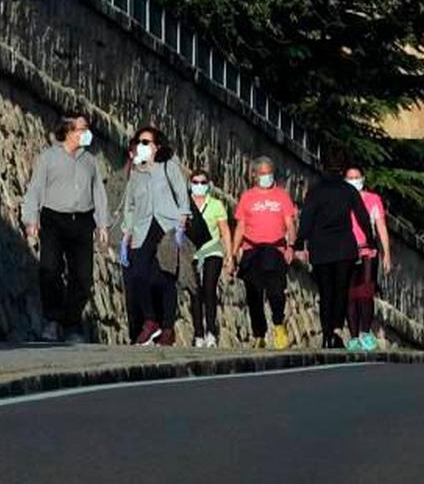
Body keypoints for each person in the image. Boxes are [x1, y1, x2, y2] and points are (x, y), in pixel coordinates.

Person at [21, 114, 111, 343]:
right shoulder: (48, 157)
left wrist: (103, 223)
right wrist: (31, 218)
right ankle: (51, 320)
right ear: (69, 131)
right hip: (53, 219)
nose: (86, 132)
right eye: (82, 128)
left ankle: (72, 324)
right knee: (50, 269)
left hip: (81, 221)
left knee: (82, 275)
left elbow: (98, 193)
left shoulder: (90, 161)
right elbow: (35, 188)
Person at [120, 126, 191, 346]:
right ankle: (151, 321)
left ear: (157, 147)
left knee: (165, 278)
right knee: (138, 274)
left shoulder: (169, 167)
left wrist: (181, 221)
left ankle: (167, 328)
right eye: (139, 141)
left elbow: (182, 195)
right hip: (142, 228)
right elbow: (129, 205)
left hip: (167, 225)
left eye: (146, 142)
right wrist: (126, 232)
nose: (141, 146)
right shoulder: (136, 174)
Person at [295, 166, 375, 349]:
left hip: (321, 247)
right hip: (343, 247)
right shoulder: (348, 191)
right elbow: (362, 216)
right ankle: (337, 330)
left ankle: (326, 333)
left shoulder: (315, 192)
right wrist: (370, 240)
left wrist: (300, 242)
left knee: (326, 292)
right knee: (341, 290)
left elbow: (307, 217)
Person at [231, 157, 297, 350]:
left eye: (269, 173)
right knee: (254, 294)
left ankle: (278, 324)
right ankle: (258, 333)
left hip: (275, 249)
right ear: (254, 175)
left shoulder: (282, 196)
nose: (266, 177)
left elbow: (290, 223)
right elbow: (240, 226)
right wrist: (233, 253)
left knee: (276, 291)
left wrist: (291, 246)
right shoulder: (247, 197)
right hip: (252, 249)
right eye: (262, 174)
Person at [344, 166, 392, 351]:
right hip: (347, 253)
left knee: (365, 294)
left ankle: (365, 332)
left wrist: (386, 253)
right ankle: (354, 336)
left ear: (363, 178)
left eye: (357, 177)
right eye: (350, 177)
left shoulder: (373, 200)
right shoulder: (342, 199)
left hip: (367, 253)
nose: (354, 180)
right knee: (349, 296)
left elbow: (380, 226)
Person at [187, 169, 232, 348]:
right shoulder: (185, 204)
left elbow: (225, 230)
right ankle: (198, 333)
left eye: (203, 182)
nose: (199, 186)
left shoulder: (216, 205)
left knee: (209, 288)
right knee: (195, 292)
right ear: (190, 183)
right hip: (192, 253)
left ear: (208, 184)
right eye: (195, 182)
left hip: (212, 251)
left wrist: (229, 254)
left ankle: (211, 331)